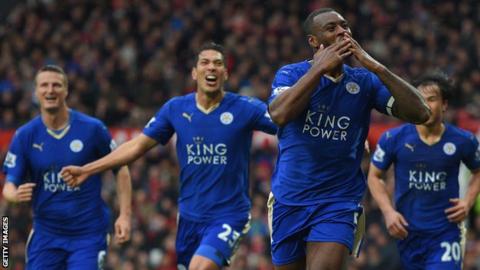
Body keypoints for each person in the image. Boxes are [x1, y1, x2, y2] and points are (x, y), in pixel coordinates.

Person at [60, 42, 277, 270]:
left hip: (229, 215)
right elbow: (136, 147)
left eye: (218, 64)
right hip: (188, 219)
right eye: (205, 62)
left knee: (200, 268)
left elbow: (285, 120)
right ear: (194, 72)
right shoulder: (176, 109)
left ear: (225, 73)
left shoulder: (245, 108)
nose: (211, 67)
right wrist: (87, 169)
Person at [267, 8, 431, 270]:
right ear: (314, 41)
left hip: (338, 201)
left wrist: (376, 66)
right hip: (290, 198)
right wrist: (319, 69)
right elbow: (279, 114)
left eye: (345, 26)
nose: (343, 32)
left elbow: (421, 113)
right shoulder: (291, 74)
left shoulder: (364, 82)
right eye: (332, 28)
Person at [2, 65, 132, 269]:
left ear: (66, 90)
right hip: (46, 237)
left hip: (88, 236)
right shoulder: (25, 135)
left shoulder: (92, 129)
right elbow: (9, 185)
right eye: (44, 85)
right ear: (35, 92)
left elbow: (121, 168)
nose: (50, 90)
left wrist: (124, 215)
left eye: (56, 85)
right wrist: (14, 195)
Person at [368, 72, 480, 270]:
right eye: (420, 99)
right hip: (407, 233)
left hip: (445, 233)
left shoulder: (463, 140)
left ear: (444, 104)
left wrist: (467, 202)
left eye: (432, 99)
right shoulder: (393, 138)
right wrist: (388, 212)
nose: (425, 104)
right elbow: (374, 176)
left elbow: (478, 171)